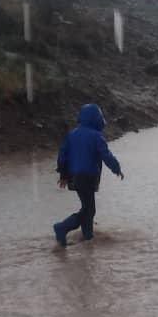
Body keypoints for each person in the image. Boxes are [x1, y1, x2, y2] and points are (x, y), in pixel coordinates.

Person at [53, 103, 123, 247]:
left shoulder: (72, 134)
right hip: (88, 177)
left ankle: (88, 238)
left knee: (87, 207)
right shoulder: (97, 136)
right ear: (97, 119)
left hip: (74, 177)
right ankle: (62, 227)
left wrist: (63, 175)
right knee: (89, 209)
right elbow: (106, 155)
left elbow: (62, 155)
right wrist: (116, 169)